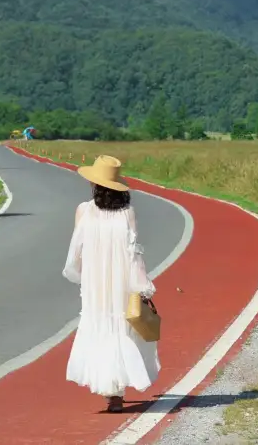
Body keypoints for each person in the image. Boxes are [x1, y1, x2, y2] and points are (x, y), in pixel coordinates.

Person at [62, 154, 160, 413]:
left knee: (99, 326)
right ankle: (116, 392)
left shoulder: (83, 210)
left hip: (95, 281)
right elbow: (134, 251)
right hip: (121, 280)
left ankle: (108, 389)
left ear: (94, 184)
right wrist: (142, 283)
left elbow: (77, 251)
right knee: (120, 328)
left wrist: (86, 275)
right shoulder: (128, 213)